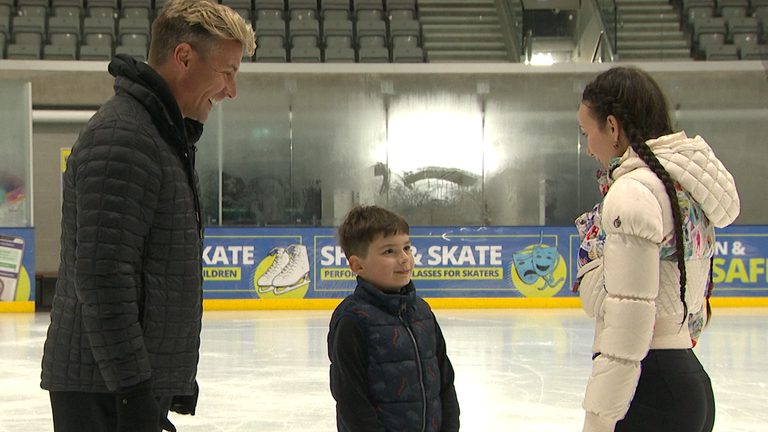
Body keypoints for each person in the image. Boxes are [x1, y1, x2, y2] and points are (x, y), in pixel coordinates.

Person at [40, 1, 255, 431]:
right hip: (105, 390)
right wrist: (133, 393)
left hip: (119, 384)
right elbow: (104, 278)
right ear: (184, 58)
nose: (232, 90)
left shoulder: (158, 135)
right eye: (227, 72)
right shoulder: (124, 138)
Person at [574, 66, 740, 432]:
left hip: (648, 391)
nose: (588, 149)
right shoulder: (683, 187)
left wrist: (599, 419)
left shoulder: (634, 192)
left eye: (588, 133)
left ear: (613, 128)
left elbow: (629, 324)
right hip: (688, 380)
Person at [328, 205, 460, 432]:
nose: (404, 259)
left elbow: (445, 385)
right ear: (357, 265)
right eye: (389, 251)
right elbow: (353, 404)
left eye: (407, 248)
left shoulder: (423, 313)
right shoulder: (352, 320)